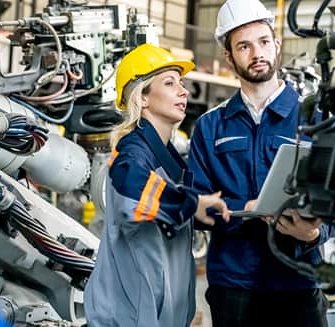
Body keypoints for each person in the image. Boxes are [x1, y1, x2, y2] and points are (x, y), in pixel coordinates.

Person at [188, 0, 333, 327]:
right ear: (228, 55)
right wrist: (247, 210)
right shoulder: (211, 126)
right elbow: (195, 207)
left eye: (264, 41)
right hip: (234, 283)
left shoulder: (314, 117)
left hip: (298, 280)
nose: (257, 54)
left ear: (277, 44)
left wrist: (313, 236)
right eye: (244, 46)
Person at [84, 43, 230, 327]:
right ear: (144, 97)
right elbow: (132, 187)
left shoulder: (170, 159)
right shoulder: (132, 152)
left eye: (182, 82)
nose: (183, 91)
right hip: (125, 318)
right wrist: (192, 203)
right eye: (169, 82)